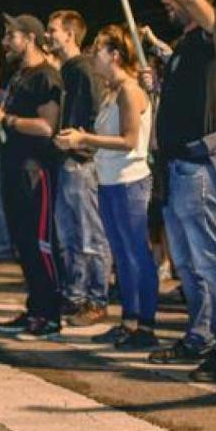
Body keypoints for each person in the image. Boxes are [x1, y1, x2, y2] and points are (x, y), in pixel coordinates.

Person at [123, 0, 216, 382]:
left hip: (202, 167)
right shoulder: (186, 47)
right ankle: (200, 335)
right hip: (177, 171)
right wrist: (159, 86)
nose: (165, 1)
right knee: (189, 264)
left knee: (212, 260)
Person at [55, 24, 158, 350]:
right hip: (111, 180)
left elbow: (129, 140)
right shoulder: (113, 91)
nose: (91, 55)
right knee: (122, 255)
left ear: (114, 54)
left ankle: (145, 325)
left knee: (136, 254)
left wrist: (83, 138)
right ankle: (129, 321)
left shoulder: (129, 90)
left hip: (129, 182)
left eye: (97, 49)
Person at [0, 14, 64, 341]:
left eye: (12, 36)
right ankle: (35, 308)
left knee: (40, 243)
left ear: (30, 38)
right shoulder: (21, 75)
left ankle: (50, 315)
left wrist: (6, 119)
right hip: (14, 166)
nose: (6, 42)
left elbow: (47, 127)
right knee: (23, 242)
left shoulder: (46, 76)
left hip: (36, 172)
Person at [45, 10, 112, 326]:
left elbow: (98, 113)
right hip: (66, 160)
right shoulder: (67, 69)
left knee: (89, 235)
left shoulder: (84, 70)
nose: (48, 35)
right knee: (69, 235)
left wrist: (84, 146)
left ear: (70, 34)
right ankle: (75, 295)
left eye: (53, 30)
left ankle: (96, 299)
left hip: (82, 162)